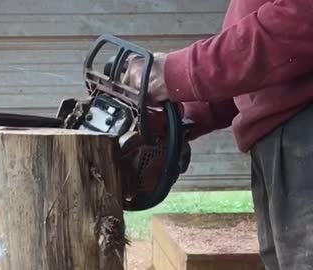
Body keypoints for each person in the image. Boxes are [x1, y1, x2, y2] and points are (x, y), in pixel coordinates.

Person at [121, 1, 313, 269]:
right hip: (278, 137)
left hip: (302, 129)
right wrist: (181, 117)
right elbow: (257, 66)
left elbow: (299, 20)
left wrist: (174, 72)